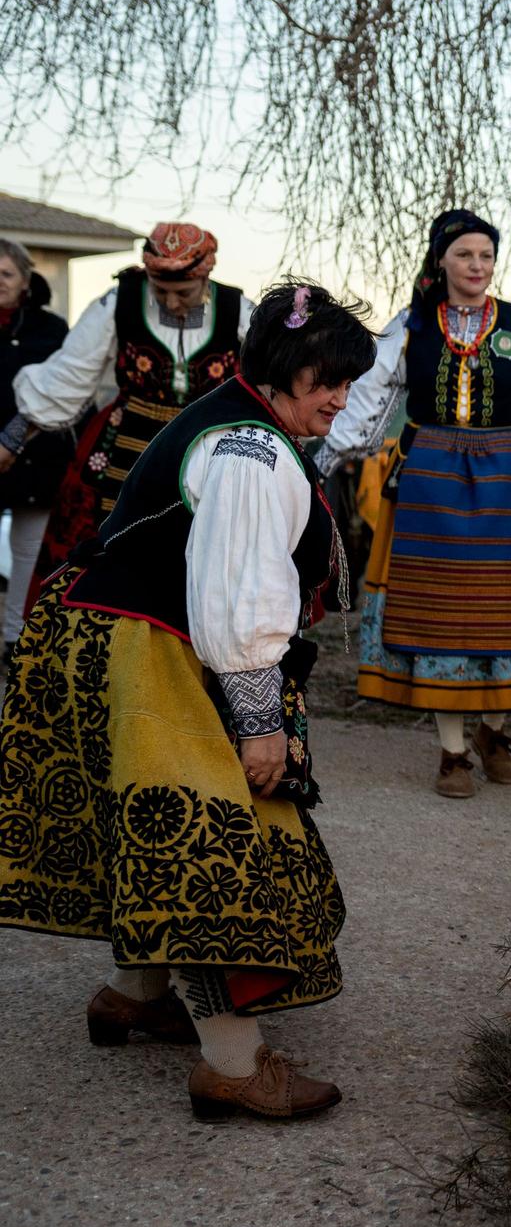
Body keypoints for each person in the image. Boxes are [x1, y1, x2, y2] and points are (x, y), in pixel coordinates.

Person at [0, 280, 371, 1120]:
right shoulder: (248, 450)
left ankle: (132, 995)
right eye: (326, 381)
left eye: (348, 382)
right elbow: (239, 602)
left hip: (119, 634)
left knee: (159, 828)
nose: (341, 399)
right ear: (280, 372)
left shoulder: (249, 419)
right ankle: (233, 1065)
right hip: (145, 648)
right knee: (213, 846)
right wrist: (258, 722)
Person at [315, 209, 511, 798]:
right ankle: (452, 753)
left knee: (508, 608)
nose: (477, 266)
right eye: (465, 255)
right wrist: (322, 465)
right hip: (430, 481)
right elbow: (367, 400)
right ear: (442, 261)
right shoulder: (410, 326)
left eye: (485, 255)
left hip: (509, 479)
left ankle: (491, 731)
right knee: (440, 615)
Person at [0, 223, 252, 603]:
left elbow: (273, 378)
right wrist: (11, 440)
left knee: (200, 563)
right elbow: (66, 378)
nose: (171, 303)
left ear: (206, 276)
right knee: (103, 563)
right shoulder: (118, 302)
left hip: (207, 457)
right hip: (119, 457)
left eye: (183, 293)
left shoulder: (238, 310)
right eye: (160, 291)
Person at [0, 241, 71, 654]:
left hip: (36, 454)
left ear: (25, 281)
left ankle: (15, 637)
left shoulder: (50, 329)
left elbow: (60, 391)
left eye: (6, 275)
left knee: (27, 551)